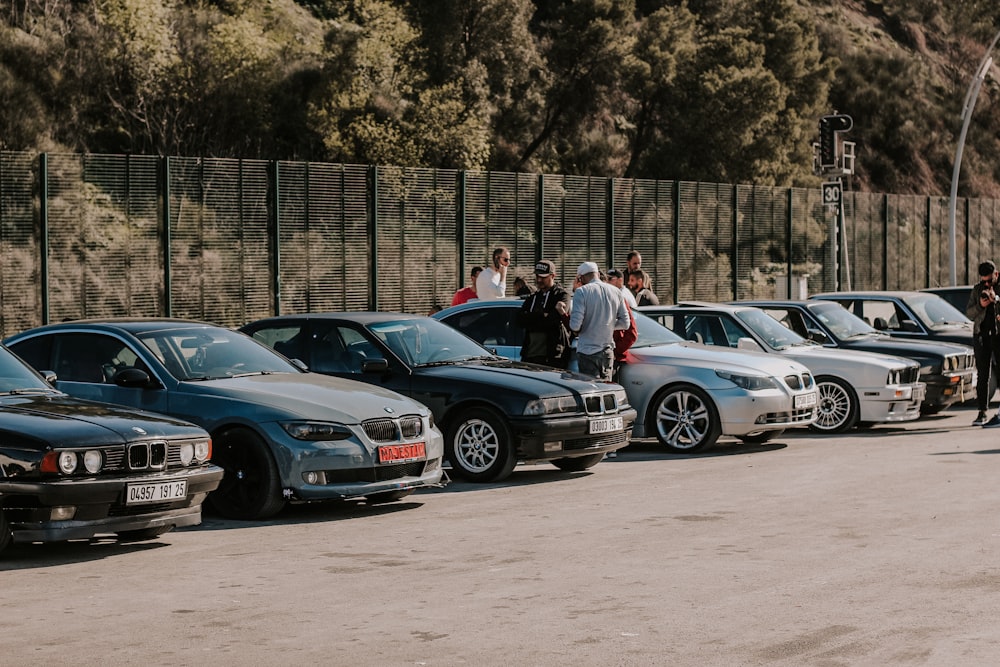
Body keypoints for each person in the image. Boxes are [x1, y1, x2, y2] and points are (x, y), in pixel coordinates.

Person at [569, 261, 630, 381]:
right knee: (606, 388)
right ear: (597, 273)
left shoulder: (581, 292)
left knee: (590, 391)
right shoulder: (616, 291)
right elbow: (625, 323)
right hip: (607, 351)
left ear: (581, 277)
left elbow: (575, 326)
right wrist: (608, 325)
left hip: (587, 351)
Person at [517, 260, 572, 369]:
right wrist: (542, 315)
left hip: (553, 356)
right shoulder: (534, 297)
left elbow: (554, 320)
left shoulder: (562, 295)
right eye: (537, 276)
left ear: (553, 276)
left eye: (543, 277)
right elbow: (519, 319)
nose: (539, 280)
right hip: (530, 355)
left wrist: (533, 317)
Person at [967, 260, 1000, 426]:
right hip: (981, 335)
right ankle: (982, 412)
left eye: (989, 280)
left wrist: (997, 300)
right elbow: (969, 313)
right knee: (983, 375)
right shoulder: (977, 289)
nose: (986, 284)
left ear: (996, 274)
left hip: (998, 335)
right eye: (983, 281)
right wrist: (981, 305)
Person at [603, 271, 637, 378]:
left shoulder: (621, 296)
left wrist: (616, 350)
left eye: (610, 279)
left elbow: (631, 332)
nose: (607, 283)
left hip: (615, 358)